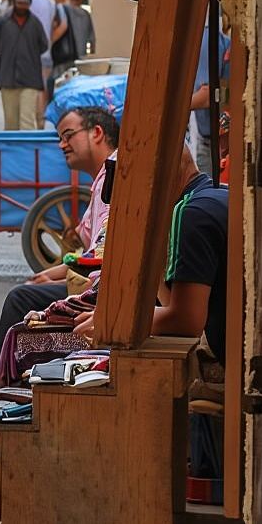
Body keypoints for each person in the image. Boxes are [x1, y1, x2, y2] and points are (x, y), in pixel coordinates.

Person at [0, 106, 118, 392]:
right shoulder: (100, 181)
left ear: (97, 133)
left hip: (103, 291)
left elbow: (104, 256)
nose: (62, 144)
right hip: (96, 282)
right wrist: (54, 273)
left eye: (69, 135)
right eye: (60, 137)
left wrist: (61, 278)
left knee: (20, 299)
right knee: (30, 289)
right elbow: (92, 253)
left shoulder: (113, 176)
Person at [73, 147, 228, 364]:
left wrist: (114, 321)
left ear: (164, 175)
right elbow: (171, 306)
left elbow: (186, 321)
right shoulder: (215, 193)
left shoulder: (191, 214)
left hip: (231, 364)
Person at [0, 0, 49, 130]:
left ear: (30, 4)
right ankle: (12, 152)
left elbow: (44, 45)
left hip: (30, 78)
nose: (22, 7)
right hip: (7, 77)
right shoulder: (2, 22)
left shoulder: (35, 24)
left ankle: (27, 152)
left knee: (27, 121)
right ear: (14, 2)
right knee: (11, 123)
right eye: (19, 3)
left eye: (25, 4)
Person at [190, 25, 231, 178]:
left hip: (214, 144)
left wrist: (168, 109)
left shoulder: (206, 38)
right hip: (211, 139)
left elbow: (207, 96)